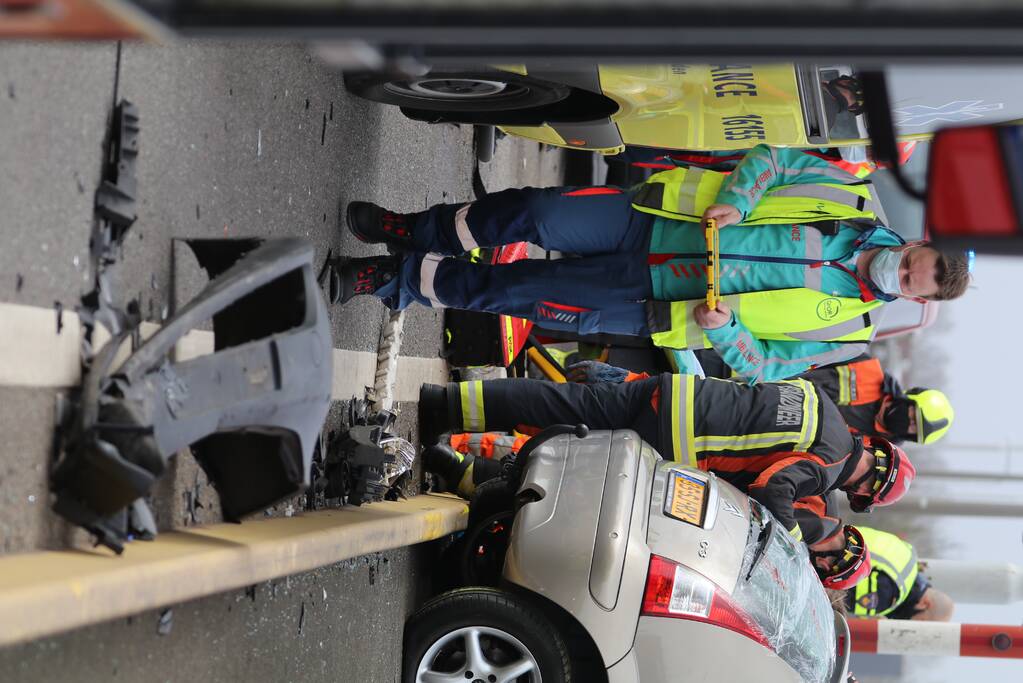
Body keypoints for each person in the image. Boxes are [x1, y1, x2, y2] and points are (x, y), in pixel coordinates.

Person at [336, 143, 971, 382]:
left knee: (517, 290)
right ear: (917, 243)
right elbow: (776, 160)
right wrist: (739, 201)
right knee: (534, 211)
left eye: (921, 286)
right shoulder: (852, 194)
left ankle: (394, 280)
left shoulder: (848, 332)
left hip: (648, 302)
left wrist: (728, 334)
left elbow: (766, 367)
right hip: (653, 215)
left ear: (917, 300)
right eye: (922, 263)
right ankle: (413, 229)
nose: (910, 274)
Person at [418, 372, 916, 544]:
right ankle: (467, 468)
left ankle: (447, 402)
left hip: (677, 393)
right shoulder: (824, 468)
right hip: (675, 439)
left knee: (561, 402)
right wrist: (787, 539)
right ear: (867, 488)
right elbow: (773, 487)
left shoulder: (822, 405)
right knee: (572, 465)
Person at [799, 354, 954, 445]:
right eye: (915, 416)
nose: (909, 423)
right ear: (910, 398)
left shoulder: (871, 450)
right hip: (782, 378)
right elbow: (815, 354)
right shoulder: (867, 369)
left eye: (914, 428)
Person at [846, 526, 955, 621]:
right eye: (921, 621)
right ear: (924, 604)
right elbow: (835, 597)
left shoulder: (909, 556)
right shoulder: (889, 595)